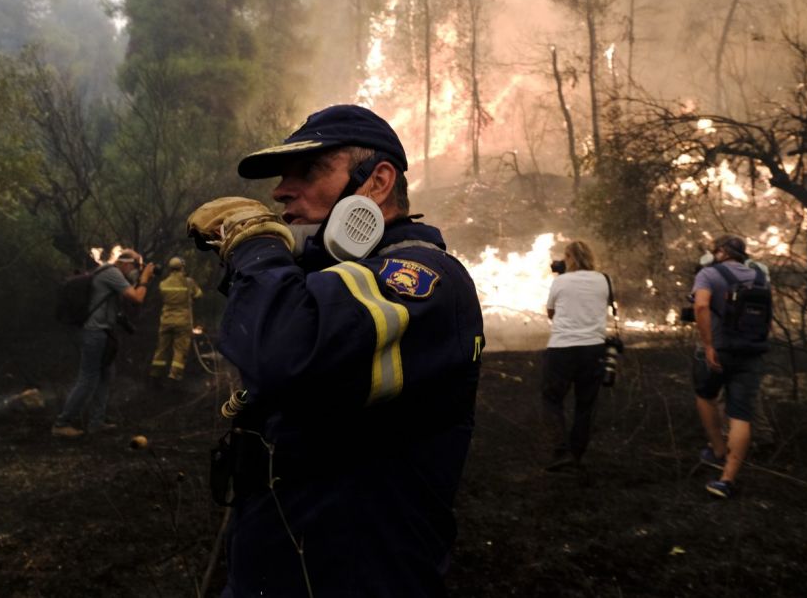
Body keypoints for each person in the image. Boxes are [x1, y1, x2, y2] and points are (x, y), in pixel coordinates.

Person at [187, 104, 484, 597]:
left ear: (377, 181)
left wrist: (258, 247)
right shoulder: (327, 283)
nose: (281, 190)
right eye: (283, 176)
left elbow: (285, 351)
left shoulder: (422, 279)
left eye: (310, 171)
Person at [691, 234, 771, 499]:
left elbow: (701, 305)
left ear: (722, 252)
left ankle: (717, 450)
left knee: (705, 396)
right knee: (741, 414)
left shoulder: (709, 274)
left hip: (719, 350)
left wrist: (709, 344)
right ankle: (727, 479)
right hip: (751, 352)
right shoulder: (759, 277)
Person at [52, 249, 155, 437]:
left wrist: (139, 280)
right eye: (135, 266)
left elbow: (128, 298)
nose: (136, 271)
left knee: (106, 376)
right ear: (124, 263)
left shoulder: (111, 274)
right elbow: (137, 297)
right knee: (88, 378)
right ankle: (62, 423)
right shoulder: (112, 273)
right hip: (95, 333)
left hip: (103, 333)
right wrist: (145, 279)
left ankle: (96, 422)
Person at [541, 240, 611, 471]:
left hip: (562, 348)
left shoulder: (560, 281)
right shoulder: (603, 279)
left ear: (570, 257)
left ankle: (561, 450)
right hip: (594, 347)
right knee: (586, 403)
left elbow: (551, 312)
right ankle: (577, 452)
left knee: (552, 398)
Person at [150, 256, 203, 381]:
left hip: (166, 320)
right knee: (180, 349)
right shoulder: (188, 282)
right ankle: (174, 375)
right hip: (183, 322)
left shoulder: (163, 284)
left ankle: (155, 374)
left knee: (161, 348)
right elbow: (199, 295)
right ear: (182, 267)